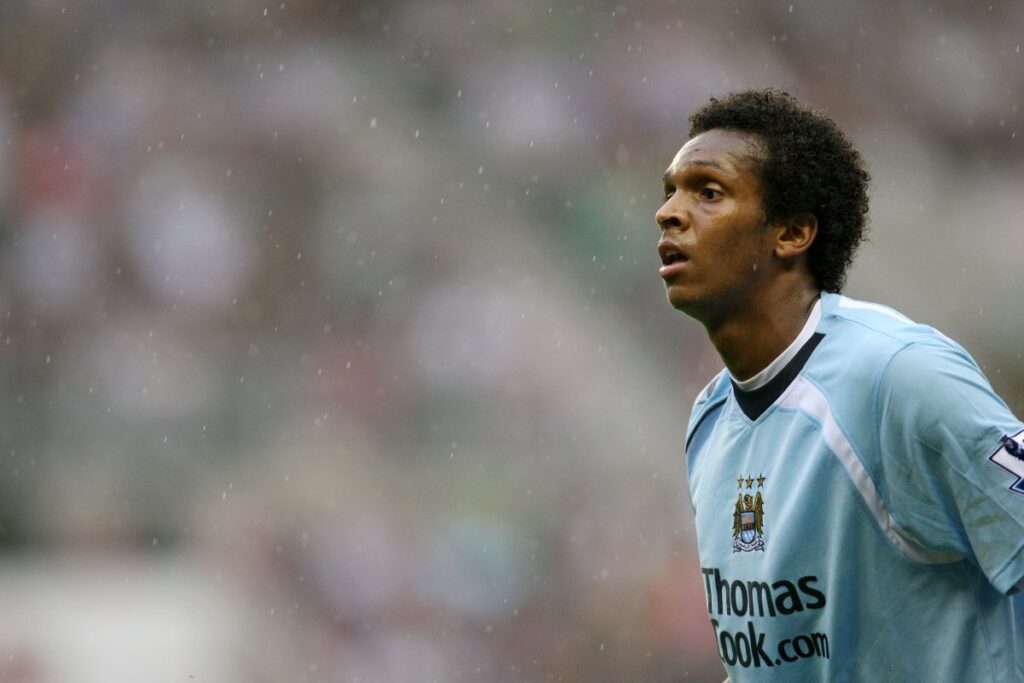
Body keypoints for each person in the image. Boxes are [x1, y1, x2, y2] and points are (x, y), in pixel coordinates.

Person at [657, 89, 1024, 681]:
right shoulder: (710, 418)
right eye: (670, 191)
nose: (669, 212)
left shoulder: (900, 375)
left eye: (708, 192)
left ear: (792, 232)